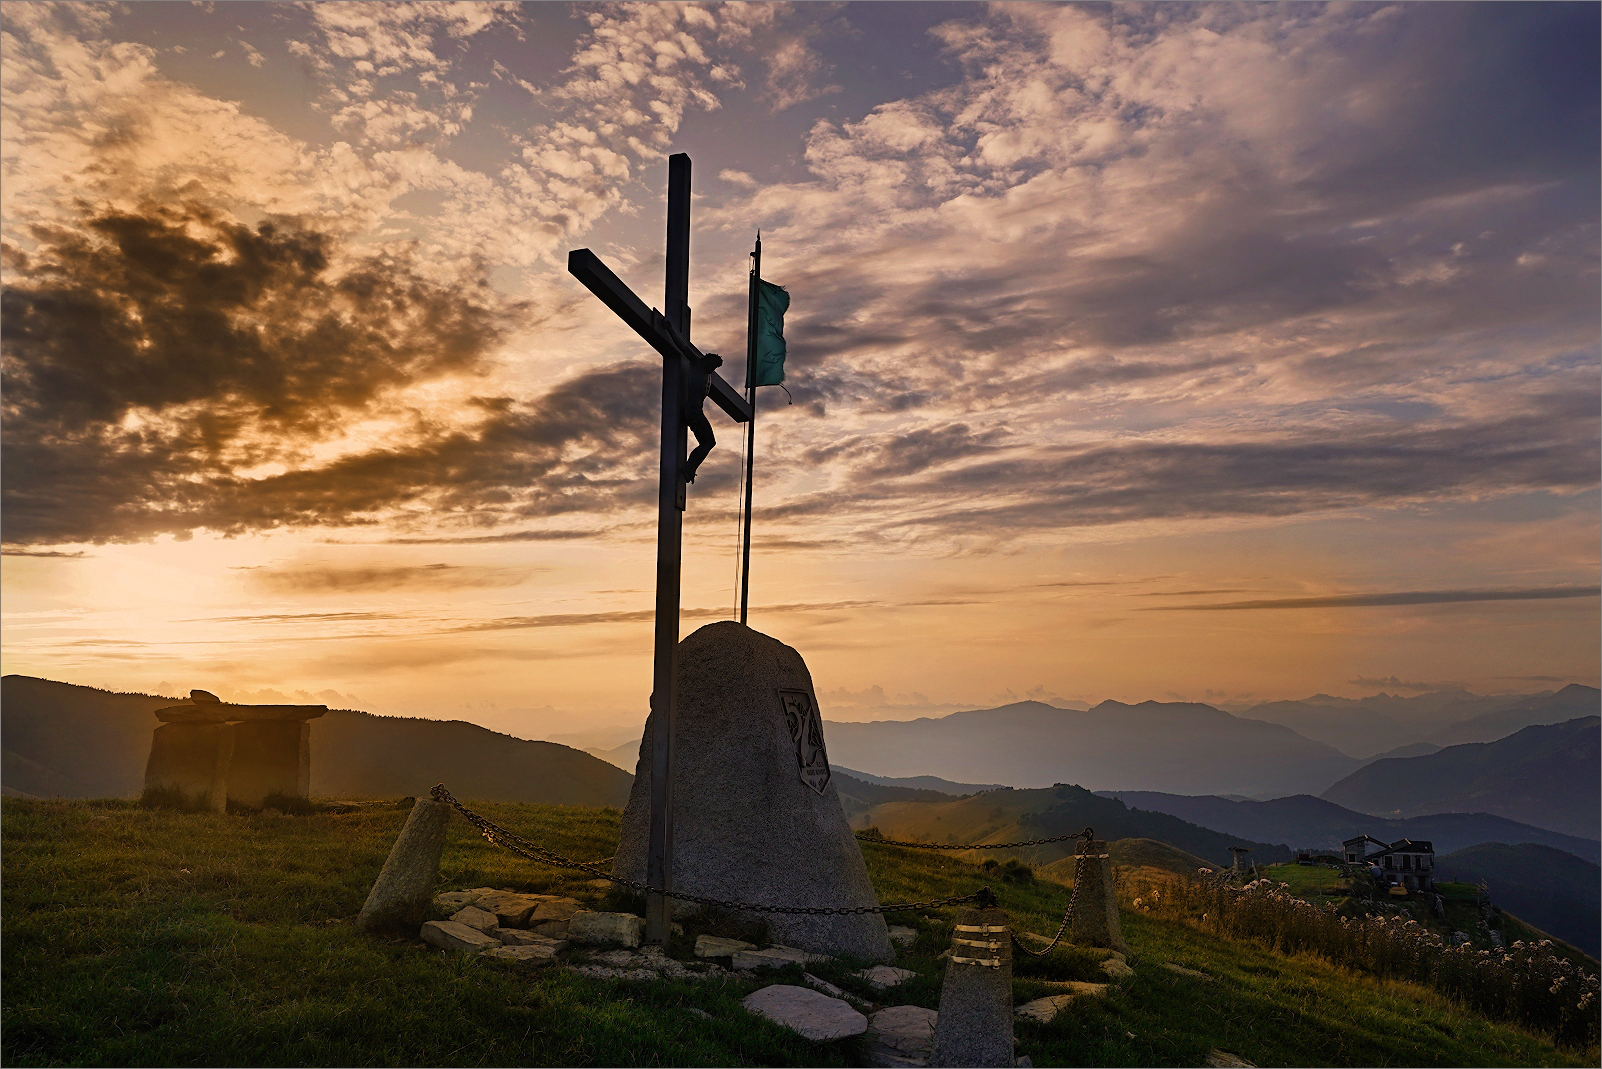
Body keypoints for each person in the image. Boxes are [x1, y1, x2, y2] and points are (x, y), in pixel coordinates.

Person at [682, 351, 721, 482]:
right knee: (709, 442)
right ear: (707, 361)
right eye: (712, 366)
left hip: (697, 410)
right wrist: (670, 329)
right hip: (693, 410)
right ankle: (689, 467)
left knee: (706, 442)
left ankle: (690, 467)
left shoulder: (707, 375)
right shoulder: (697, 364)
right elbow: (683, 346)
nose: (713, 370)